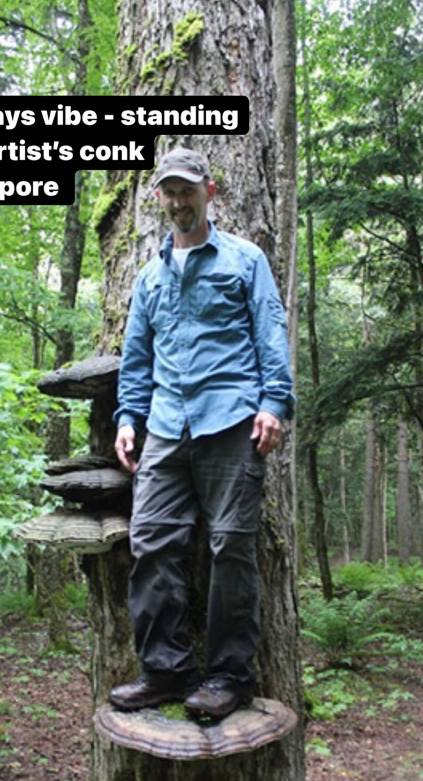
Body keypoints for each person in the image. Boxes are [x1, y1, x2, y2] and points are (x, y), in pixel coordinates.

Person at [109, 146, 295, 719]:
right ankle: (167, 671)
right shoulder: (148, 276)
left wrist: (274, 403)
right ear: (158, 198)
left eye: (187, 189)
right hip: (165, 426)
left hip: (233, 422)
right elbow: (137, 357)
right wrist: (126, 418)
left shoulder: (244, 260)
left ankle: (228, 678)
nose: (178, 200)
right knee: (151, 543)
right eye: (169, 191)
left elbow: (271, 330)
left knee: (231, 549)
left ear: (209, 192)